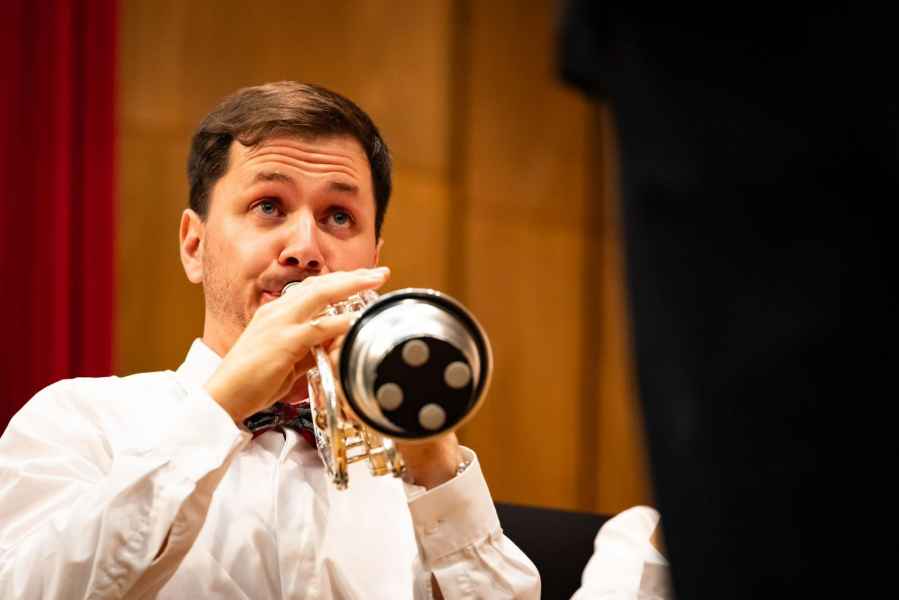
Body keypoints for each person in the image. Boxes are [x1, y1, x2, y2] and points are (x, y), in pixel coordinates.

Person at [0, 81, 540, 599]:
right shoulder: (79, 422)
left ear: (372, 263)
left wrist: (436, 469)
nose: (305, 249)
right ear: (194, 245)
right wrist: (222, 407)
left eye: (338, 216)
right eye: (268, 206)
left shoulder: (413, 477)